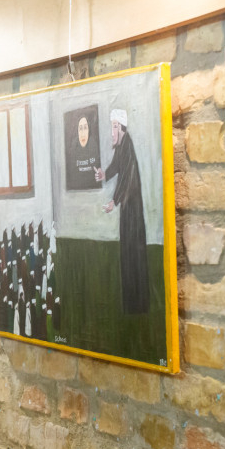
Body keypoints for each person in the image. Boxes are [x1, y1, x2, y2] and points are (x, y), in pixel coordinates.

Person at [94, 108, 149, 314]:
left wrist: (114, 201)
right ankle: (132, 304)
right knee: (128, 254)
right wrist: (104, 174)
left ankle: (137, 306)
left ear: (122, 128)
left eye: (115, 127)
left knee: (133, 255)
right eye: (112, 127)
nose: (112, 132)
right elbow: (116, 166)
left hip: (132, 212)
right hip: (128, 210)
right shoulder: (122, 147)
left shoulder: (128, 147)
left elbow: (127, 179)